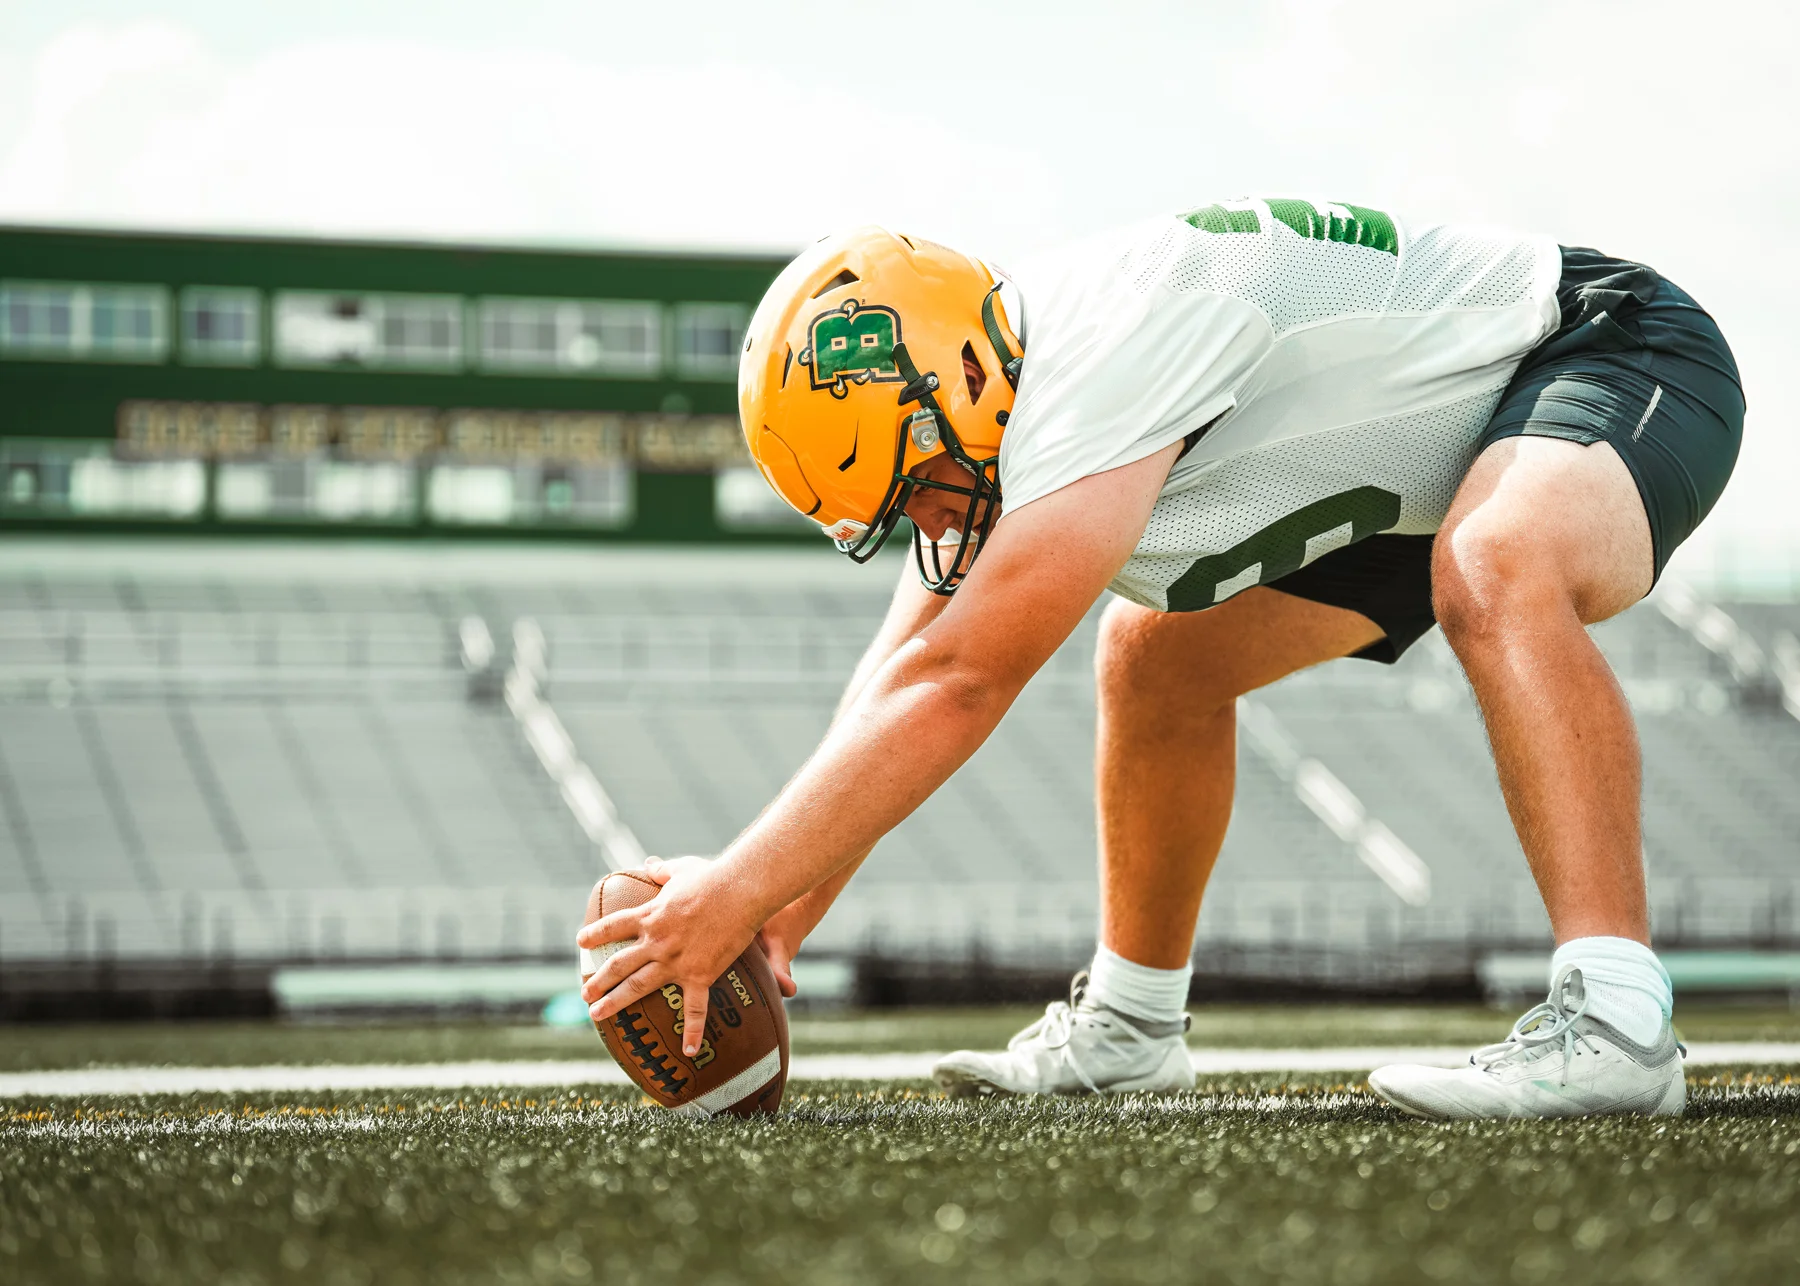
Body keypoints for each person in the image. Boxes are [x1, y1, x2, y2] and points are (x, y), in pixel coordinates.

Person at [579, 199, 1744, 1120]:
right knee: (1154, 654)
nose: (934, 519)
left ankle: (1617, 1021)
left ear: (960, 378)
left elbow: (956, 684)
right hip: (1422, 458)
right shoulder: (991, 390)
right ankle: (1134, 1027)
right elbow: (897, 677)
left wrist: (726, 888)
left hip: (1608, 345)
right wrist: (778, 911)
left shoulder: (1097, 357)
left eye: (925, 481)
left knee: (1498, 561)